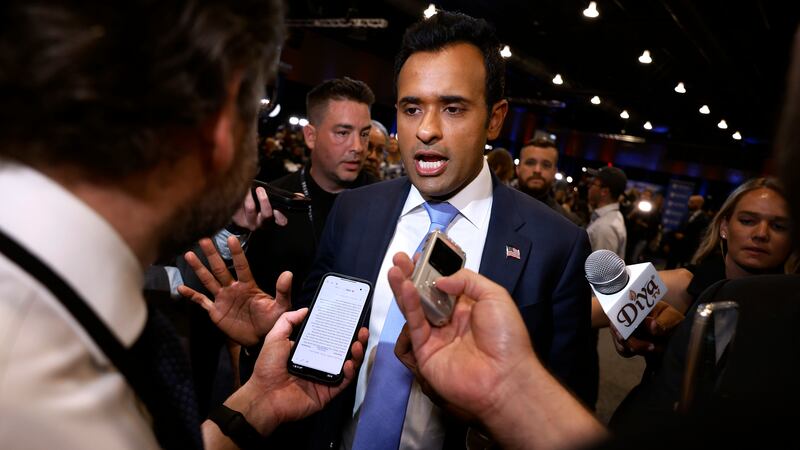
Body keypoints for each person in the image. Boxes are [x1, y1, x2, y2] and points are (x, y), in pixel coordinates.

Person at [385, 26, 800, 450]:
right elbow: (600, 310)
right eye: (749, 220)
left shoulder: (562, 237)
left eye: (779, 224)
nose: (761, 234)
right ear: (725, 225)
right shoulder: (694, 281)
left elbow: (573, 360)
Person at [0, 1, 367, 449]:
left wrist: (258, 403)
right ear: (222, 122)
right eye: (254, 112)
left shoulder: (62, 314)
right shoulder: (47, 390)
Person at [299, 10, 595, 449]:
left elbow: (571, 405)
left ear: (494, 118)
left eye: (453, 108)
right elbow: (314, 338)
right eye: (411, 108)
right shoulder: (354, 210)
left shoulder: (557, 246)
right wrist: (267, 339)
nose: (426, 130)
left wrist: (484, 417)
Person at [516, 138, 584, 226]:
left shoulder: (569, 224)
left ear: (554, 172)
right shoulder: (498, 206)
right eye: (530, 163)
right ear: (518, 168)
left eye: (546, 165)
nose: (537, 170)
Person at [586, 166, 628, 258]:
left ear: (604, 191)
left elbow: (600, 266)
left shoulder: (604, 228)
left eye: (593, 184)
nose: (589, 187)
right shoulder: (613, 216)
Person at [665, 194, 710, 268]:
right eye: (689, 201)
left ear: (699, 204)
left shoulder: (704, 218)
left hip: (689, 249)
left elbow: (700, 234)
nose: (688, 204)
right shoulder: (687, 215)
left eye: (692, 202)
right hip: (677, 247)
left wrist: (684, 237)